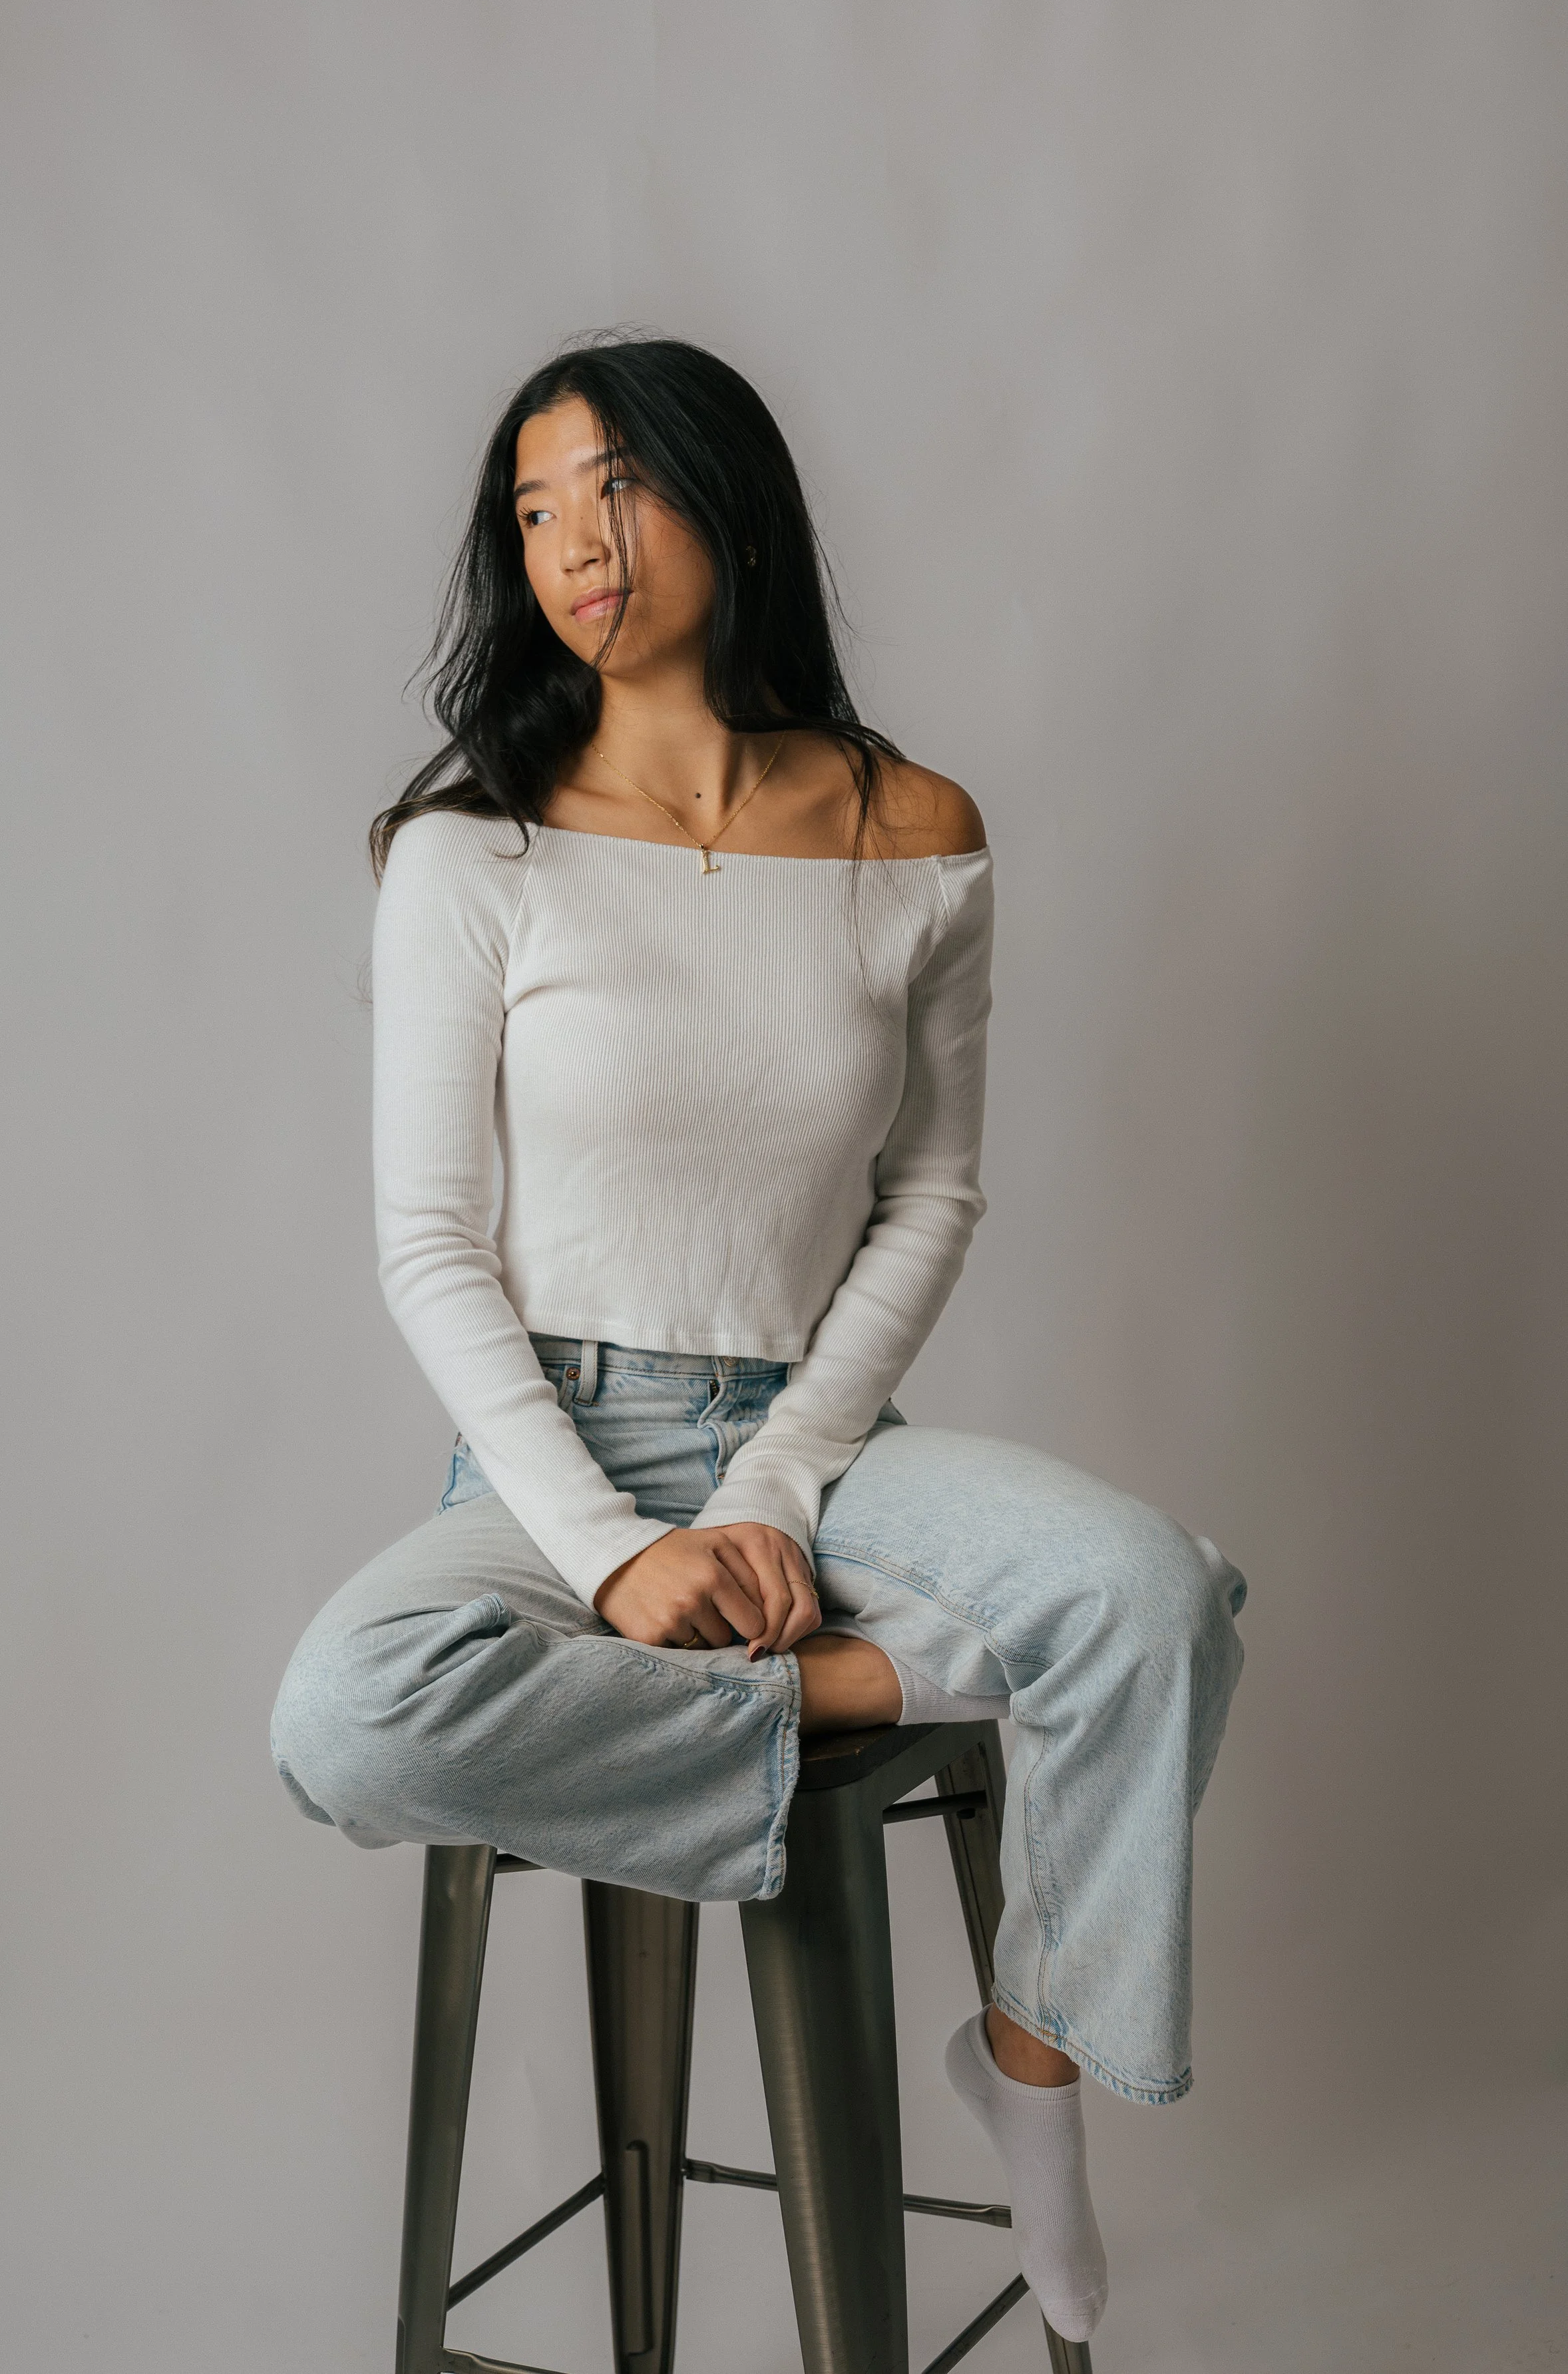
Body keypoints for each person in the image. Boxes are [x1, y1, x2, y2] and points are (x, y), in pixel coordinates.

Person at [272, 333, 1246, 2345]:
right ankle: (839, 1694)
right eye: (530, 509)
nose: (572, 542)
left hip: (820, 1434)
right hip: (560, 1449)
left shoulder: (915, 832)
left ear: (723, 490)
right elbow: (431, 1245)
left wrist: (780, 1482)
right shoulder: (474, 848)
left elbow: (932, 1196)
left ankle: (1035, 2058)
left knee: (1145, 1591)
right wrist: (622, 1555)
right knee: (348, 1711)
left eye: (612, 484)